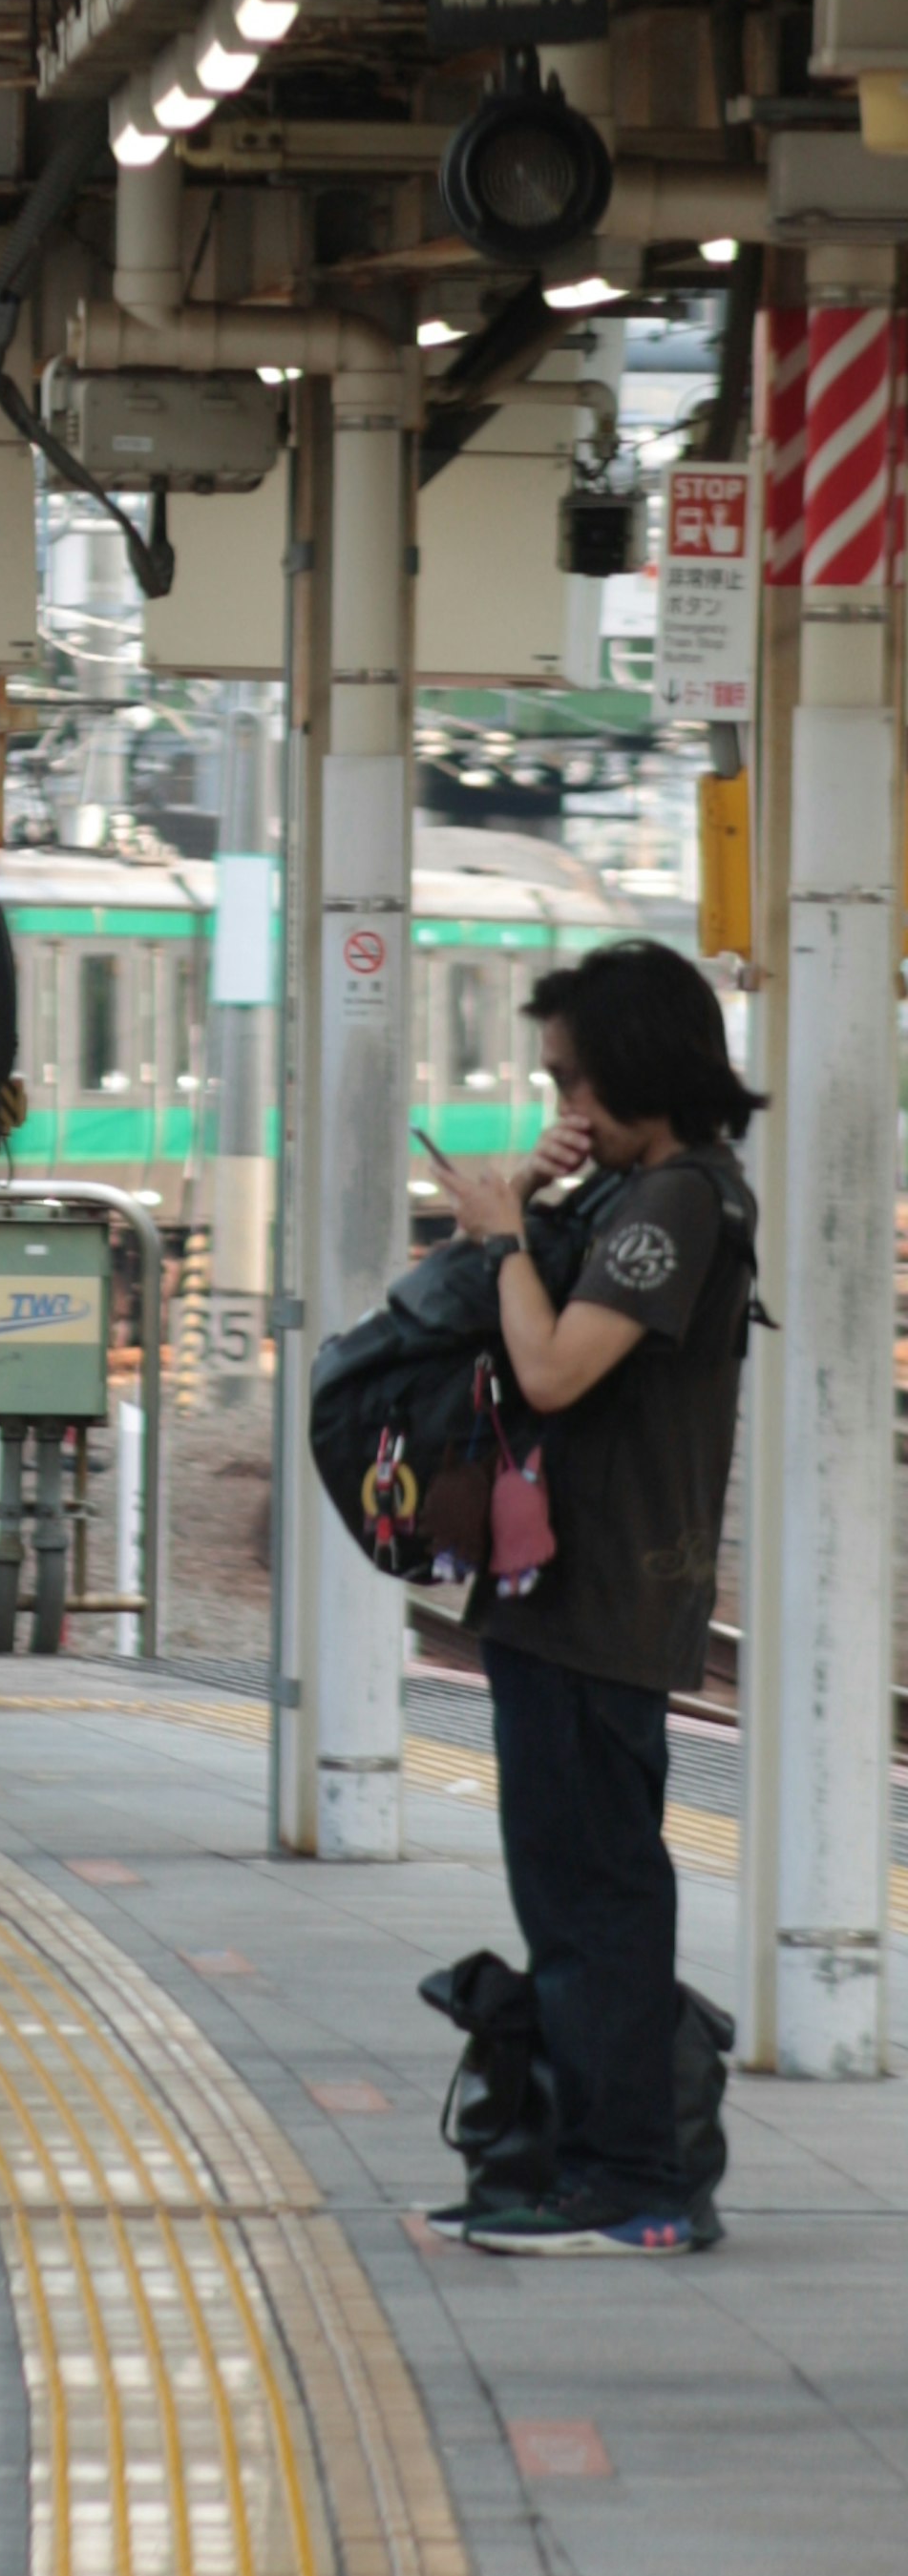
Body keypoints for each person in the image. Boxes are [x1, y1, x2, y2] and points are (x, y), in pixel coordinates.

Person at [424, 937, 761, 2256]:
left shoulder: (683, 1199)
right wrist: (535, 1219)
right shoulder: (642, 1194)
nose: (562, 1105)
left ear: (637, 1066)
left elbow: (555, 1372)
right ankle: (588, 2162)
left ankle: (635, 2182)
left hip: (601, 1598)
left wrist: (511, 1234)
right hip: (565, 1596)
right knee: (572, 1893)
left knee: (595, 1899)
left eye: (575, 1080)